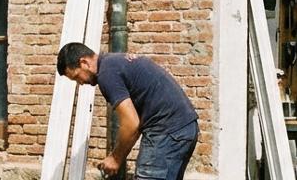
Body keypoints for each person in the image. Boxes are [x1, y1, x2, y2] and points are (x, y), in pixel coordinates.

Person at [57, 42, 199, 180]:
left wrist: (115, 158)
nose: (80, 83)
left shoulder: (106, 74)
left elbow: (131, 123)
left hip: (167, 132)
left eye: (77, 77)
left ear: (84, 63)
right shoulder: (113, 62)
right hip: (184, 128)